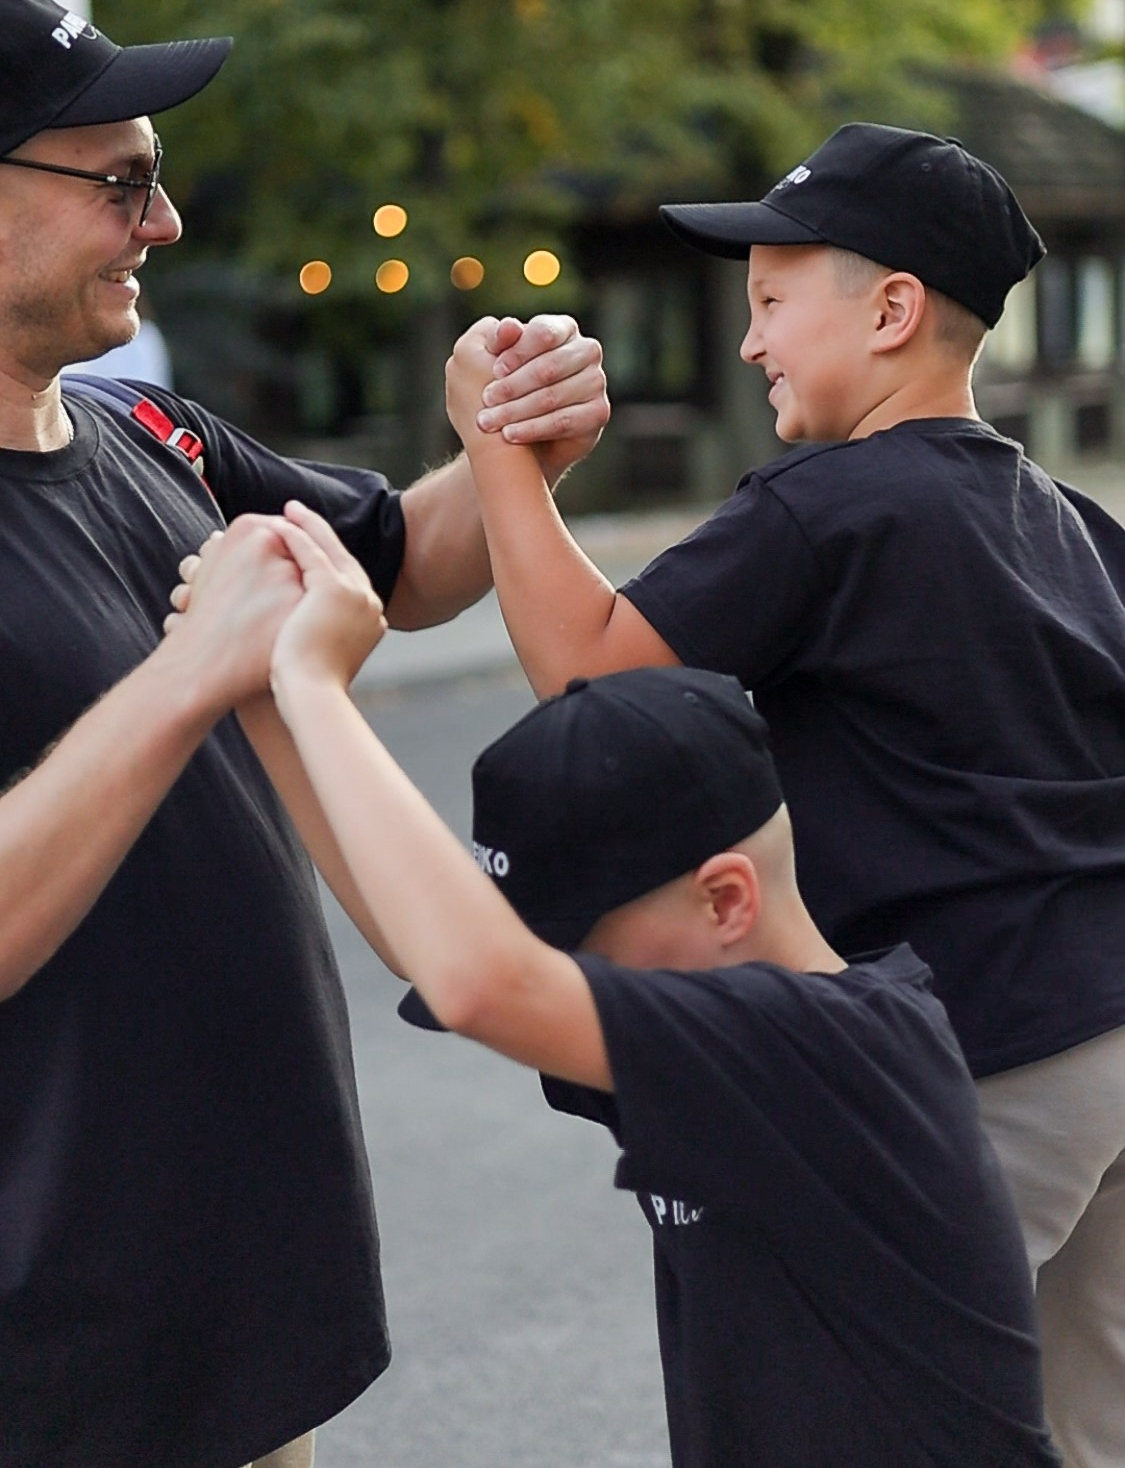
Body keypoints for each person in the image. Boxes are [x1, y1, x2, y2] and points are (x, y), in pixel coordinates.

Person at [440, 122, 1125, 1468]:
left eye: (767, 302)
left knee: (856, 1415)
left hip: (984, 1044)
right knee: (1079, 1426)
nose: (748, 342)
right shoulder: (1080, 525)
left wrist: (498, 456)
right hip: (1111, 1031)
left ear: (890, 310)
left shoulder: (832, 502)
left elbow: (592, 681)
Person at [0, 0, 609, 1468]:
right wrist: (187, 676)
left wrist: (507, 446)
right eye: (121, 181)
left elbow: (399, 565)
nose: (166, 222)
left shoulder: (148, 431)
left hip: (227, 1307)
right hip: (52, 1356)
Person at [168, 503, 1061, 1468]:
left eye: (576, 947)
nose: (562, 981)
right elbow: (442, 953)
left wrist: (313, 681)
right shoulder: (727, 1027)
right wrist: (258, 690)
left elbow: (481, 982)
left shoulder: (836, 1050)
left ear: (725, 900)